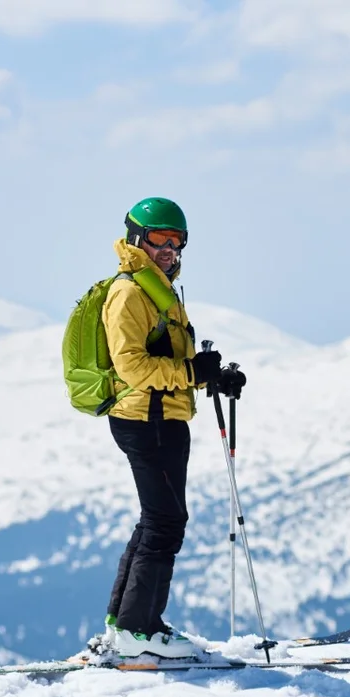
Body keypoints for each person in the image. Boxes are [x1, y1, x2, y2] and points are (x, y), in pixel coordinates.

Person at [97, 197, 245, 659]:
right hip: (146, 420)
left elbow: (171, 361)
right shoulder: (129, 294)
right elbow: (136, 368)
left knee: (158, 521)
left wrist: (211, 376)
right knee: (165, 523)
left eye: (177, 240)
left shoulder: (156, 287)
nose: (170, 249)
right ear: (138, 239)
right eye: (160, 239)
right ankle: (136, 633)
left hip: (162, 418)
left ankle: (129, 625)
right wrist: (192, 373)